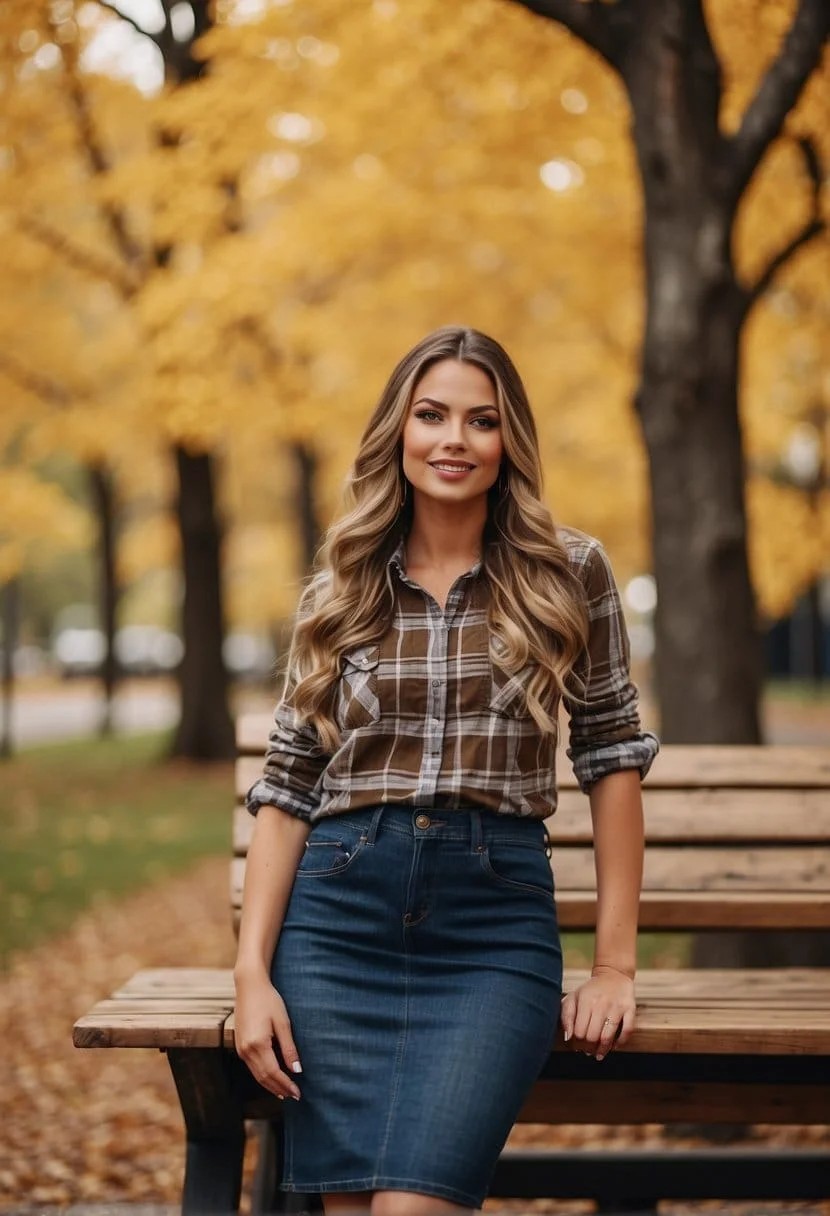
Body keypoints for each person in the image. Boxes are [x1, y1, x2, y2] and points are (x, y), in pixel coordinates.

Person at [234, 326, 659, 1216]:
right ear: (399, 430)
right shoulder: (341, 585)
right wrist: (252, 975)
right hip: (336, 923)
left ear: (511, 444)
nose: (453, 440)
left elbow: (612, 758)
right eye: (431, 415)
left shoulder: (567, 571)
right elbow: (288, 786)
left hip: (491, 931)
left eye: (481, 420)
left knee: (414, 1207)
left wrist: (614, 966)